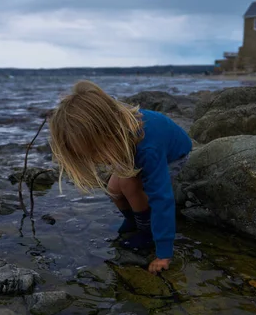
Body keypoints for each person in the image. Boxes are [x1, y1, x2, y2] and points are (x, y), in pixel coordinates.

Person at [49, 80, 192, 274]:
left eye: (95, 152)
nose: (96, 160)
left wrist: (164, 253)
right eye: (88, 156)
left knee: (129, 184)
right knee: (113, 188)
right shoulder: (117, 135)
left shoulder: (148, 149)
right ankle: (134, 220)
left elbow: (162, 199)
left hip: (174, 157)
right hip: (131, 150)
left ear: (110, 131)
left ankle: (146, 231)